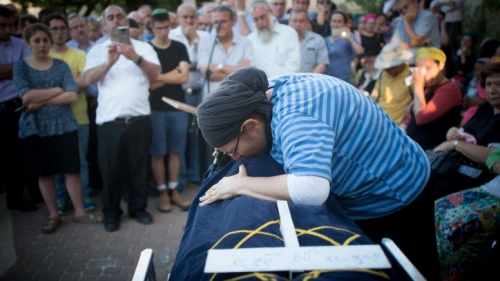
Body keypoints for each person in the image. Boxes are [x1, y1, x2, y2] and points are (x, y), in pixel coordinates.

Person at [196, 67, 440, 279]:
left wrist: (241, 185)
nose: (235, 159)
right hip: (367, 185)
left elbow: (311, 190)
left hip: (398, 191)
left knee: (410, 269)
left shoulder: (296, 117)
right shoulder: (260, 96)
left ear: (250, 126)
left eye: (233, 151)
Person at [14, 24, 102, 233]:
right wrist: (57, 91)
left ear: (50, 42)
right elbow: (25, 96)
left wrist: (41, 99)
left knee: (72, 170)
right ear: (28, 43)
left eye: (45, 40)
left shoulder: (61, 65)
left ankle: (80, 212)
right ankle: (53, 215)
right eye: (37, 41)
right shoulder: (21, 67)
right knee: (45, 174)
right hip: (36, 128)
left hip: (65, 124)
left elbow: (72, 95)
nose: (42, 45)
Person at [83, 4, 161, 232]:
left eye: (120, 17)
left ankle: (138, 209)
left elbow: (155, 74)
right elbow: (88, 79)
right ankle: (111, 213)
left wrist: (134, 57)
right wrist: (109, 62)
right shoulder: (97, 50)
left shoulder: (143, 47)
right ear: (104, 23)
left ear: (126, 21)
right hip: (109, 123)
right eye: (111, 17)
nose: (116, 21)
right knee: (110, 171)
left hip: (139, 120)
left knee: (139, 168)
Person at [44, 13, 97, 215]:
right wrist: (69, 86)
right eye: (54, 28)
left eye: (61, 28)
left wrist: (51, 89)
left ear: (67, 31)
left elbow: (85, 82)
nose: (58, 32)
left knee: (81, 160)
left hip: (79, 117)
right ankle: (61, 198)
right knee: (57, 162)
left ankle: (84, 194)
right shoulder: (45, 54)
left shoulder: (79, 55)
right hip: (52, 119)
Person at [432, 57, 500, 198]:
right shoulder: (485, 108)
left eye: (498, 84)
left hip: (476, 178)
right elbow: (465, 132)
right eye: (488, 84)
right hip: (452, 165)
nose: (492, 90)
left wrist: (456, 144)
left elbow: (493, 157)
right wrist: (453, 134)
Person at [148, 9, 192, 213]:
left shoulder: (180, 47)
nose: (163, 32)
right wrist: (173, 72)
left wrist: (160, 77)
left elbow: (184, 78)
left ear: (170, 26)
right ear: (152, 28)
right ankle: (162, 193)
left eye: (166, 27)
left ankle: (174, 190)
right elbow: (149, 83)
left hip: (178, 106)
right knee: (157, 153)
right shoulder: (147, 49)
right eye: (159, 28)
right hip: (154, 107)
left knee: (176, 151)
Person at [435, 149, 500, 281]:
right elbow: (493, 158)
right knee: (436, 210)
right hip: (489, 190)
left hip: (495, 200)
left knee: (453, 234)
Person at [0, 5, 37, 212]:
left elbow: (30, 68)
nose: (7, 30)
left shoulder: (19, 43)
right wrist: (16, 68)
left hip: (15, 107)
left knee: (17, 158)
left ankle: (15, 198)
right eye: (2, 26)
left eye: (11, 25)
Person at [404, 47, 462, 150]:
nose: (424, 74)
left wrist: (418, 85)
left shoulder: (450, 89)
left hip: (430, 150)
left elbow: (421, 117)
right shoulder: (428, 88)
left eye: (428, 68)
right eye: (420, 69)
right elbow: (409, 115)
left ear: (440, 65)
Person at [198, 5, 253, 99]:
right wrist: (237, 71)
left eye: (223, 21)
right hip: (213, 100)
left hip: (238, 98)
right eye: (216, 22)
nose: (219, 26)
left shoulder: (245, 42)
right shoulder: (204, 42)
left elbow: (247, 74)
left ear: (233, 21)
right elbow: (206, 73)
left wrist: (219, 67)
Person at [247, 0, 300, 78]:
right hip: (259, 88)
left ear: (270, 12)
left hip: (284, 86)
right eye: (255, 19)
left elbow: (294, 67)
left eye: (262, 17)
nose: (260, 22)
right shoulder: (250, 40)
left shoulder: (289, 33)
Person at [370, 42, 414, 125]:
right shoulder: (383, 74)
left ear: (400, 64)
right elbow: (374, 95)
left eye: (390, 67)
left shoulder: (411, 76)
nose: (387, 70)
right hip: (378, 121)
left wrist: (412, 104)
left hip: (397, 126)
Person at [324, 11, 364, 83]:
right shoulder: (326, 39)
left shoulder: (349, 37)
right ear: (330, 23)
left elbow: (360, 52)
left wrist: (349, 39)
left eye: (339, 21)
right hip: (328, 79)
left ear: (344, 24)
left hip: (345, 79)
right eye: (334, 21)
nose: (336, 24)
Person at [288, 8, 329, 73]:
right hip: (286, 81)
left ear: (307, 22)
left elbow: (322, 65)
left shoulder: (318, 40)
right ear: (289, 22)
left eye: (301, 21)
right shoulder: (282, 40)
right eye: (295, 21)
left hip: (310, 81)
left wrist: (308, 80)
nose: (298, 24)